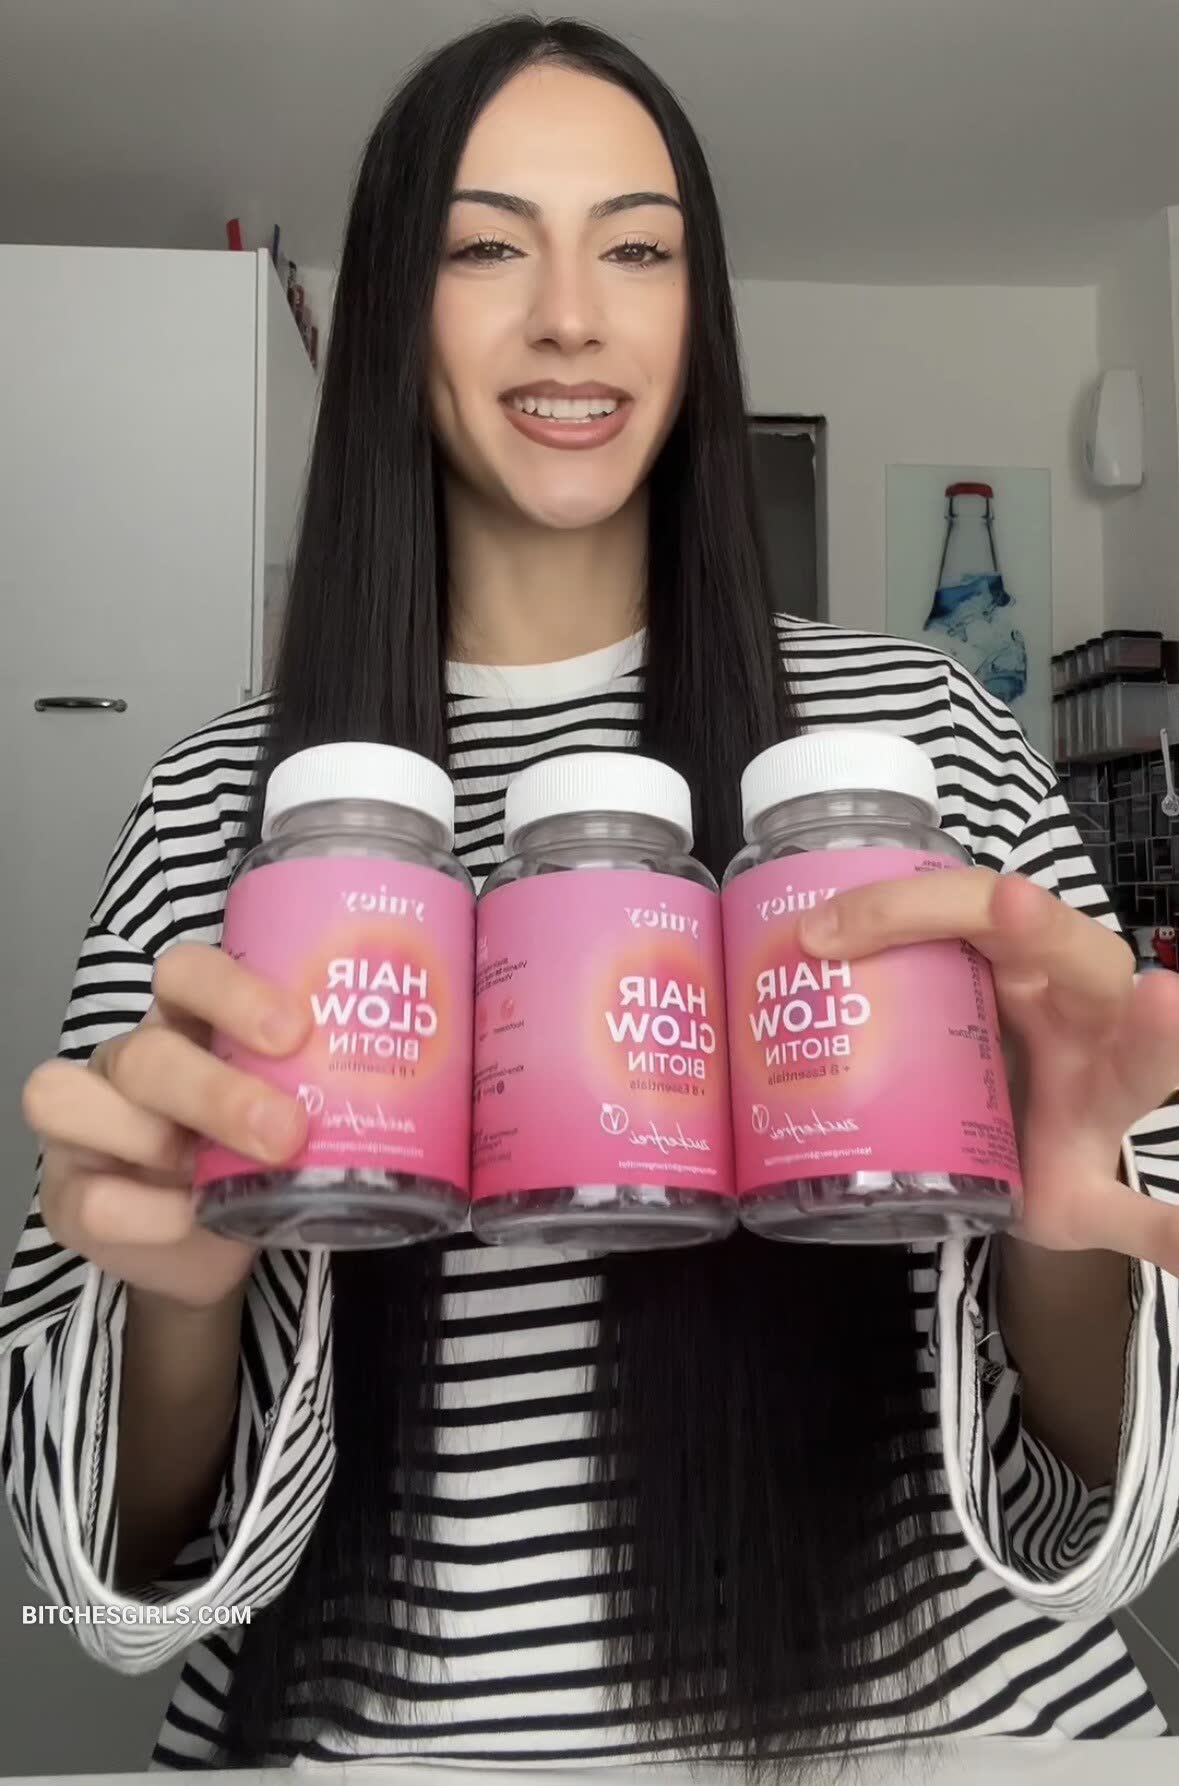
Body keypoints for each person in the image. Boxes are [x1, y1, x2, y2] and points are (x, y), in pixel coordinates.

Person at [5, 13, 1179, 1772]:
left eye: (638, 249)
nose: (573, 316)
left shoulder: (915, 744)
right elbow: (105, 1575)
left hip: (951, 1729)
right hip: (381, 1739)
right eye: (486, 248)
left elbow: (1119, 1472)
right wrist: (185, 1294)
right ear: (391, 305)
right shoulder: (220, 810)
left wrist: (1062, 1235)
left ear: (700, 311)